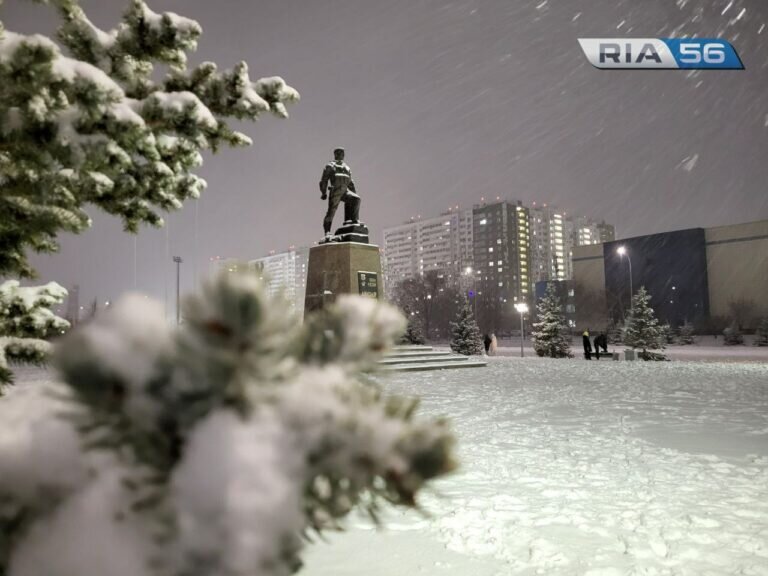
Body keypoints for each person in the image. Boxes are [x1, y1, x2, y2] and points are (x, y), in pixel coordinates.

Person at [319, 147, 361, 238]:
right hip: (335, 191)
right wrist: (323, 192)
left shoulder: (346, 167)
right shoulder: (330, 166)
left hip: (345, 191)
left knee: (356, 199)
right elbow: (324, 180)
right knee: (331, 212)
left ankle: (354, 220)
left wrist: (354, 192)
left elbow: (351, 182)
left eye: (342, 153)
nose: (341, 155)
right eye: (339, 153)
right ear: (335, 154)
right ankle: (327, 232)